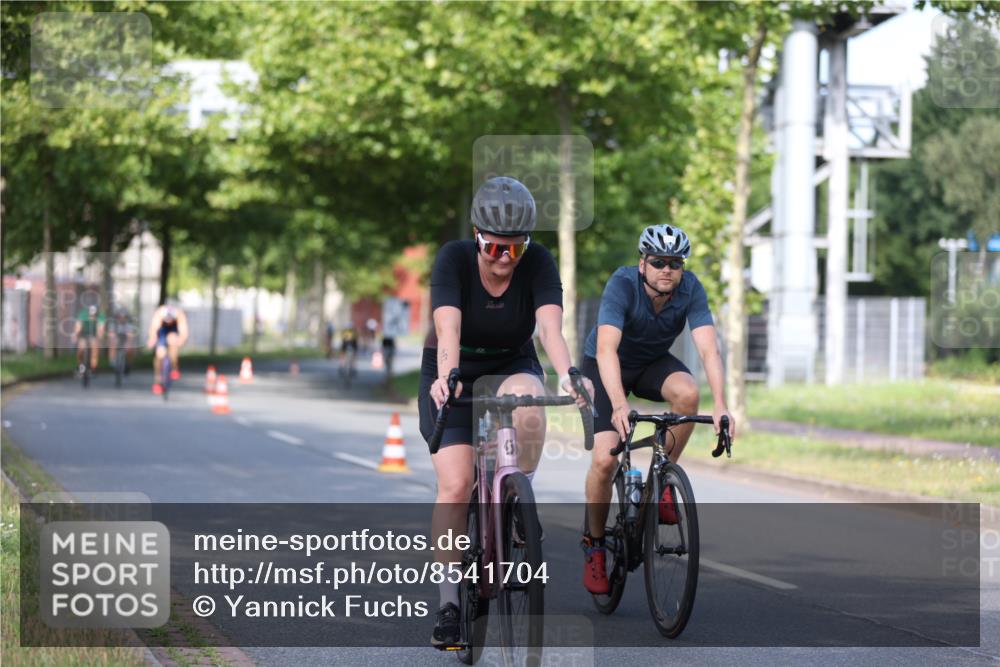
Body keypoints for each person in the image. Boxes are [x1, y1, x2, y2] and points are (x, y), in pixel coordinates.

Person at [420, 176, 592, 647]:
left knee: (531, 410)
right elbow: (447, 329)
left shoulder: (538, 263)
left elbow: (551, 330)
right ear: (477, 236)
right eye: (494, 247)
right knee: (455, 485)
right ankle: (451, 603)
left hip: (511, 362)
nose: (502, 259)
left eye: (514, 251)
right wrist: (448, 377)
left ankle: (517, 494)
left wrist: (569, 374)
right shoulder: (453, 259)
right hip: (454, 371)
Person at [579, 224, 735, 594]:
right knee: (605, 459)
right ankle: (595, 545)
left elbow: (709, 350)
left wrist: (723, 407)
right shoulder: (621, 284)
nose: (667, 269)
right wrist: (618, 405)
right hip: (605, 366)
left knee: (688, 394)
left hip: (650, 362)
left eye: (675, 263)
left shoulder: (690, 288)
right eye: (659, 262)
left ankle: (661, 480)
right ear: (642, 264)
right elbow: (605, 351)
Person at [146, 304, 189, 394]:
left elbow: (184, 331)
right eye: (167, 320)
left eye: (170, 320)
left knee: (173, 340)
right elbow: (153, 329)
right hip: (162, 329)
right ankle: (157, 381)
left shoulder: (179, 315)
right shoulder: (159, 314)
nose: (169, 321)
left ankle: (174, 366)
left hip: (174, 329)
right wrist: (152, 339)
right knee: (160, 353)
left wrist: (181, 340)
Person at [74, 304, 105, 375]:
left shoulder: (100, 316)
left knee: (95, 350)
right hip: (84, 333)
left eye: (94, 315)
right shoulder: (83, 314)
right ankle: (81, 365)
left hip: (94, 334)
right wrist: (76, 335)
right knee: (80, 350)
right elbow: (78, 326)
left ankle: (93, 369)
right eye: (91, 315)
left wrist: (100, 338)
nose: (92, 317)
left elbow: (100, 328)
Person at [107, 306, 136, 374]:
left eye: (124, 317)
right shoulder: (113, 324)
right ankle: (112, 361)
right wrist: (113, 338)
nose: (122, 318)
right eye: (120, 317)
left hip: (125, 340)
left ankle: (128, 363)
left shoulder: (129, 325)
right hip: (116, 339)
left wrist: (129, 342)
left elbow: (130, 336)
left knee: (130, 348)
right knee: (112, 344)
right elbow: (111, 334)